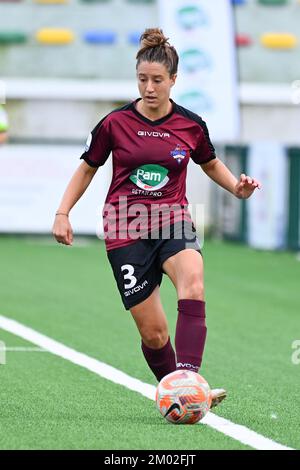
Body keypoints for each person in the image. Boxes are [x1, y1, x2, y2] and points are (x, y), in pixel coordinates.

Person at [52, 28, 261, 408]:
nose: (149, 88)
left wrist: (237, 187)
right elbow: (86, 169)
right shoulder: (114, 124)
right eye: (142, 79)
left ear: (173, 81)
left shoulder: (191, 125)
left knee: (193, 282)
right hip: (125, 228)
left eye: (157, 80)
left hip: (172, 221)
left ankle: (191, 383)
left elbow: (210, 163)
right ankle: (176, 391)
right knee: (153, 333)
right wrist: (63, 212)